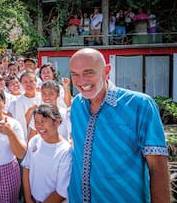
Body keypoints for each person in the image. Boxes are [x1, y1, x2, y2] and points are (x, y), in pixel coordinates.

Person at [68, 48, 170, 202]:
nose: (81, 81)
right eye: (74, 74)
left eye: (88, 72)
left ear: (106, 71)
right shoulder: (76, 105)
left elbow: (158, 168)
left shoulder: (140, 105)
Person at [22, 104, 72, 203]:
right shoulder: (35, 140)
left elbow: (61, 193)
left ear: (57, 122)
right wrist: (28, 199)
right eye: (36, 122)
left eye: (43, 121)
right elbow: (26, 168)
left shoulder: (66, 152)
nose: (39, 126)